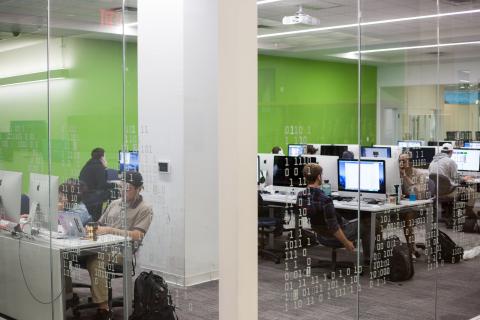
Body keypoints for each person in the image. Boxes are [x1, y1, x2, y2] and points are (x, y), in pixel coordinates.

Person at [85, 171, 153, 319]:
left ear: (139, 189)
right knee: (75, 255)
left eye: (127, 188)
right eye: (121, 187)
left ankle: (103, 309)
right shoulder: (114, 203)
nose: (122, 190)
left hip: (123, 253)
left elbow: (137, 235)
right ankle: (68, 295)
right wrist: (89, 228)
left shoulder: (144, 209)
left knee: (96, 260)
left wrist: (109, 230)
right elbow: (100, 223)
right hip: (103, 246)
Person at [297, 163, 372, 259]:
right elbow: (334, 227)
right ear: (319, 177)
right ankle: (369, 259)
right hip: (333, 235)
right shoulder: (325, 199)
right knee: (370, 222)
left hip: (320, 235)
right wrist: (347, 243)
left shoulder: (300, 195)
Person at [398, 152, 428, 259]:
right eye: (400, 161)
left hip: (418, 204)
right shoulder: (396, 173)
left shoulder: (419, 174)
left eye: (404, 161)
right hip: (403, 204)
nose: (402, 163)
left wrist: (405, 176)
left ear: (410, 162)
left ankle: (411, 248)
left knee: (408, 216)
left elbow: (419, 193)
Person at [79, 147, 110, 221]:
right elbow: (102, 185)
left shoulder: (86, 166)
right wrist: (115, 184)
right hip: (95, 199)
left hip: (85, 198)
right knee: (113, 193)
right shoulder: (99, 167)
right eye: (105, 157)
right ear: (102, 157)